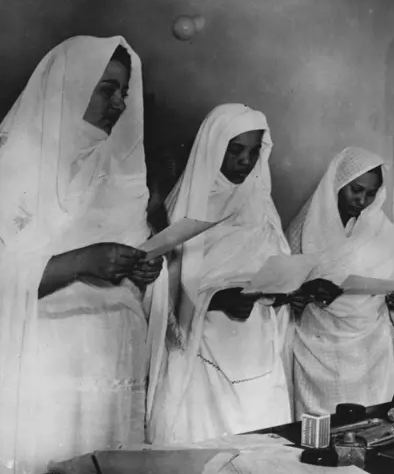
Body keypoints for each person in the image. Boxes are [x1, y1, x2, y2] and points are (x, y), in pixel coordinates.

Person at [0, 36, 165, 473]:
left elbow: (131, 264)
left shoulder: (121, 176)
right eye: (106, 89)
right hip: (41, 365)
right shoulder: (9, 166)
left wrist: (144, 269)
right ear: (68, 88)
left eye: (124, 93)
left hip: (110, 360)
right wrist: (78, 264)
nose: (118, 104)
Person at [147, 104, 296, 444]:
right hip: (204, 348)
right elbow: (161, 289)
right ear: (214, 147)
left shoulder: (261, 205)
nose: (246, 161)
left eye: (254, 152)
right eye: (236, 150)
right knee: (209, 443)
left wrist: (282, 290)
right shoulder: (184, 208)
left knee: (259, 443)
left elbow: (279, 266)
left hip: (255, 347)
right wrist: (215, 299)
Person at [285, 146, 394, 419]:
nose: (363, 200)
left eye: (371, 193)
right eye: (356, 190)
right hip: (317, 346)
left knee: (370, 422)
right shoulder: (304, 228)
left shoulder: (380, 230)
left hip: (369, 348)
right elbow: (283, 289)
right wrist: (306, 290)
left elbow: (390, 285)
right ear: (337, 182)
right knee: (320, 426)